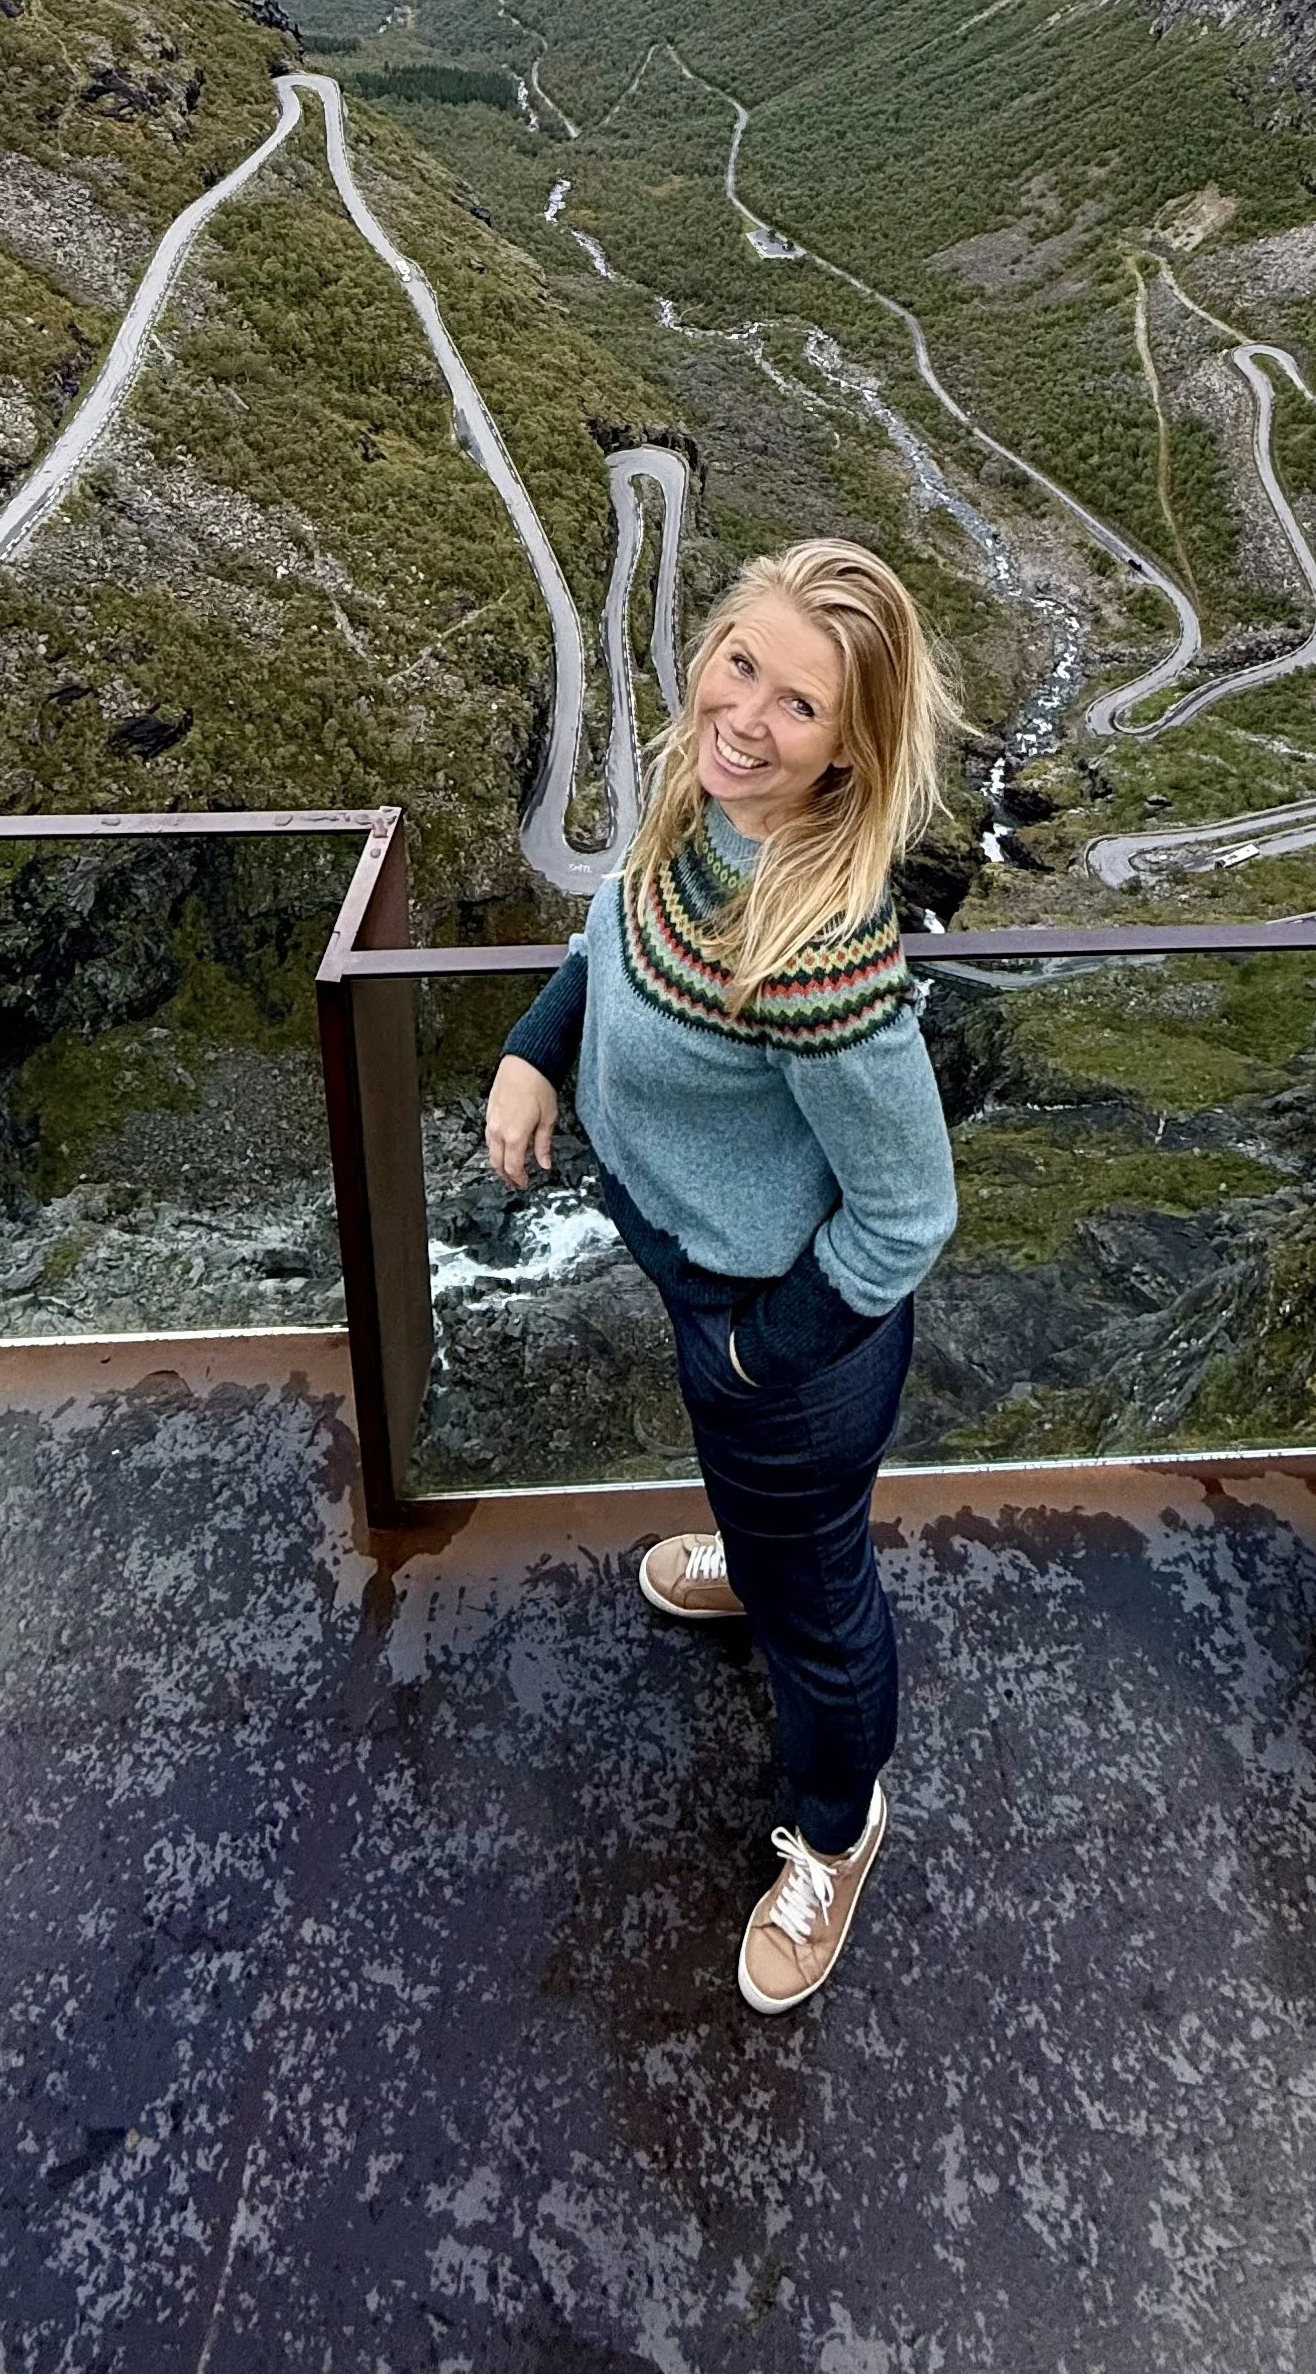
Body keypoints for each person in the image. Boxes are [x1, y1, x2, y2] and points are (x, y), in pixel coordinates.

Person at [485, 535, 960, 2016]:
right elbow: (614, 930)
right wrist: (535, 1046)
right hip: (689, 1263)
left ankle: (838, 1830)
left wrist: (760, 1353)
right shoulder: (698, 799)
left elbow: (908, 1213)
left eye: (799, 706)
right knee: (772, 1536)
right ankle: (752, 1556)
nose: (745, 714)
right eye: (739, 663)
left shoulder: (823, 952)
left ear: (850, 753)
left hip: (783, 1347)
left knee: (823, 1606)